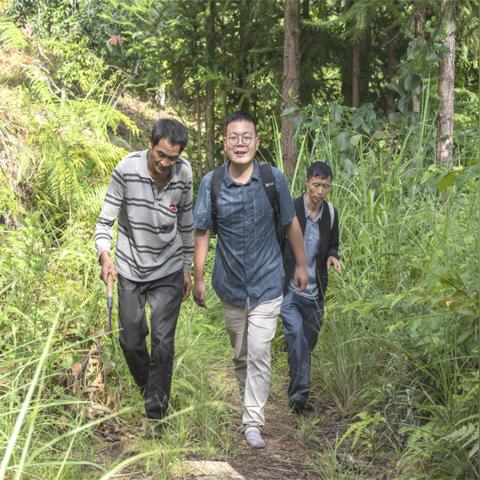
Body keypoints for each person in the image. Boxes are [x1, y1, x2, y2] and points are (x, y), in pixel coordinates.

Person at [192, 111, 307, 448]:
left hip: (268, 281)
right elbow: (202, 230)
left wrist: (301, 265)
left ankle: (253, 420)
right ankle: (249, 404)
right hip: (229, 284)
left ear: (257, 142)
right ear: (224, 142)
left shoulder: (274, 180)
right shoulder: (211, 183)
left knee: (258, 351)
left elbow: (290, 223)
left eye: (246, 137)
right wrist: (198, 276)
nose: (240, 143)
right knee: (241, 354)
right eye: (233, 137)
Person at [94, 118, 193, 422]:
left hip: (168, 268)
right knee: (131, 340)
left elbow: (187, 224)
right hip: (130, 266)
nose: (165, 163)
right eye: (160, 154)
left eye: (172, 158)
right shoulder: (126, 170)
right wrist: (104, 256)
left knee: (163, 342)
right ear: (150, 143)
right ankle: (151, 389)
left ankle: (156, 413)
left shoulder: (184, 174)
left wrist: (187, 268)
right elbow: (104, 221)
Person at [281, 161, 341, 414]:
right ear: (307, 182)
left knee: (306, 345)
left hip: (316, 294)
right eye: (316, 185)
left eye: (325, 186)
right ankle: (299, 399)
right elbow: (276, 242)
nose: (320, 191)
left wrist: (332, 256)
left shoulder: (331, 213)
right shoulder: (291, 210)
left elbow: (333, 244)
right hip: (290, 291)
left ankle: (297, 390)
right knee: (296, 337)